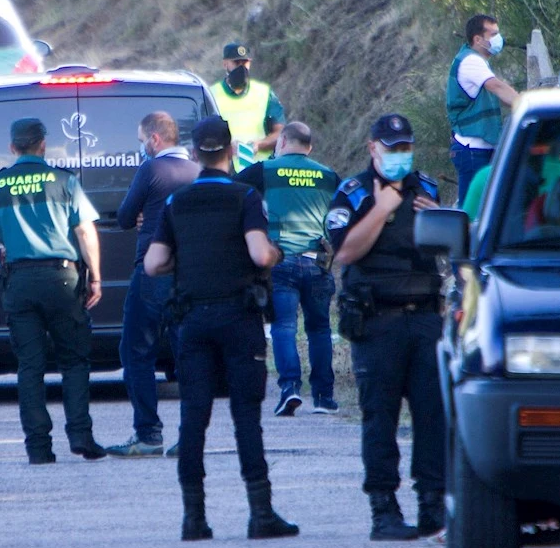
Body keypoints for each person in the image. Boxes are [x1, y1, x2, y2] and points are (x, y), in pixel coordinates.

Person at [144, 116, 299, 541]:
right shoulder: (245, 197)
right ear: (231, 152)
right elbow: (260, 255)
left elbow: (154, 264)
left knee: (194, 416)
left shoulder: (177, 203)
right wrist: (275, 252)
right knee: (246, 416)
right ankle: (261, 514)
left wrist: (188, 259)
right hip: (237, 316)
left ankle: (194, 519)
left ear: (195, 154)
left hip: (192, 321)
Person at [0, 118, 107, 464]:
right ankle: (80, 435)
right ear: (43, 145)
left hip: (19, 282)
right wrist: (95, 276)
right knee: (74, 361)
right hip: (62, 280)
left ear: (12, 148)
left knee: (30, 366)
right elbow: (84, 232)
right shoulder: (64, 181)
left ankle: (38, 447)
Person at [327, 113, 445, 541]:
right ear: (372, 147)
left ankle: (433, 504)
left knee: (433, 416)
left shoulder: (427, 188)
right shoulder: (353, 194)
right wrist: (381, 209)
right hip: (378, 323)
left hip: (426, 319)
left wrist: (442, 221)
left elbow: (451, 247)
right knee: (381, 419)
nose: (400, 155)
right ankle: (384, 511)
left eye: (405, 147)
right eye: (391, 147)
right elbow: (346, 252)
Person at [106, 111, 200, 458]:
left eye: (142, 140)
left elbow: (126, 217)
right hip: (189, 273)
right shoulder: (197, 172)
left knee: (136, 351)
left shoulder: (151, 170)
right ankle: (190, 436)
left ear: (155, 140)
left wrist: (145, 210)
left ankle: (148, 434)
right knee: (187, 354)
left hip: (151, 271)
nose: (142, 146)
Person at [235, 121, 341, 417]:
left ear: (281, 142)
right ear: (309, 147)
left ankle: (290, 389)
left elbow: (232, 192)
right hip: (318, 262)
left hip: (280, 262)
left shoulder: (264, 171)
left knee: (283, 327)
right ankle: (324, 396)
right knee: (319, 328)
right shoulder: (328, 175)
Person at [447, 14, 520, 206]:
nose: (498, 38)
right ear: (478, 39)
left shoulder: (476, 61)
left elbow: (497, 95)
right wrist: (527, 104)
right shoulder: (471, 61)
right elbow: (496, 87)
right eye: (493, 34)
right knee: (471, 212)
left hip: (478, 148)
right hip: (472, 149)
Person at [210, 42, 286, 172]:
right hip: (226, 172)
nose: (241, 68)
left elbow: (281, 132)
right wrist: (225, 146)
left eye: (244, 63)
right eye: (236, 63)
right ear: (225, 64)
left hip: (261, 170)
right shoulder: (212, 94)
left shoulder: (264, 93)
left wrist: (259, 145)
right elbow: (204, 134)